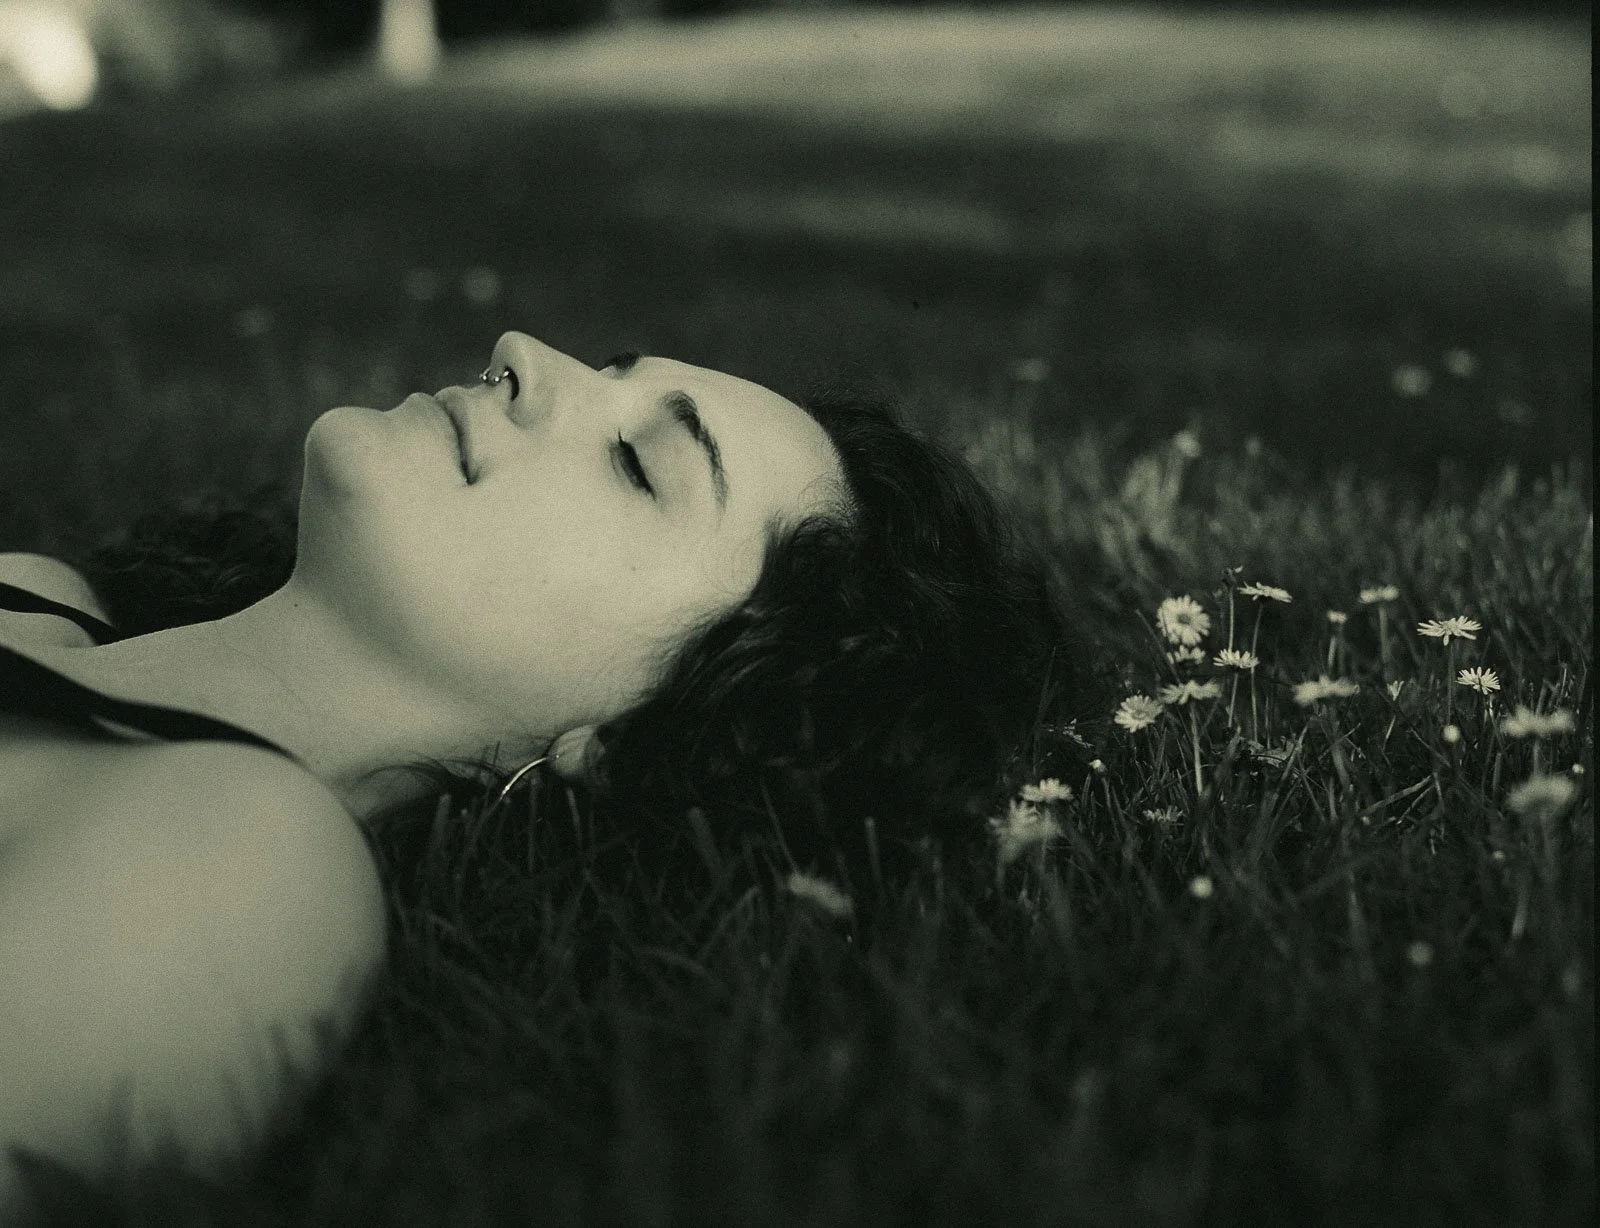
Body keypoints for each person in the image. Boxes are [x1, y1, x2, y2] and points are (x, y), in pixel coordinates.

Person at [0, 331, 1081, 1217]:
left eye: (636, 464)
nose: (524, 352)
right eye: (612, 374)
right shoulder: (36, 592)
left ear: (630, 737)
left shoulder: (250, 862)